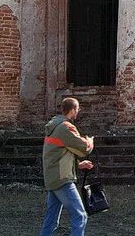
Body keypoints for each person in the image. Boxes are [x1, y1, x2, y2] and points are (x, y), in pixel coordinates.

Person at [40, 97, 95, 236]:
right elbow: (83, 149)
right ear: (72, 110)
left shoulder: (54, 125)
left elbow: (58, 153)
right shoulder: (66, 127)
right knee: (80, 216)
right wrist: (90, 142)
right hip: (62, 179)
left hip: (53, 177)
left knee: (51, 220)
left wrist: (78, 164)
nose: (78, 112)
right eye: (77, 109)